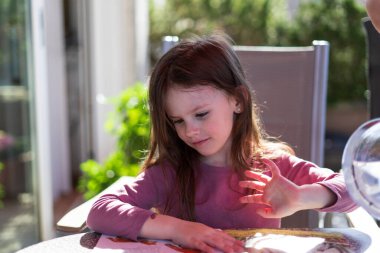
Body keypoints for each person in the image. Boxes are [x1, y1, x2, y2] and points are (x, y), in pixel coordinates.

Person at [87, 34, 357, 253]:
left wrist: (301, 196)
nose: (190, 131)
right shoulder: (170, 172)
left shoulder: (272, 166)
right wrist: (180, 229)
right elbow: (100, 211)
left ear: (237, 100)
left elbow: (353, 189)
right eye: (177, 121)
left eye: (201, 114)